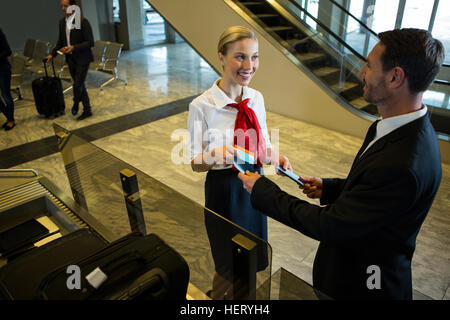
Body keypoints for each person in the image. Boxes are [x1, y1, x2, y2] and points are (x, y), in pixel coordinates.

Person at [238, 28, 444, 300]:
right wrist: (330, 188)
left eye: (369, 66)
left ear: (395, 77)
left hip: (365, 285)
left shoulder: (404, 163)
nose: (361, 73)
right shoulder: (398, 127)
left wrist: (263, 189)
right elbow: (375, 192)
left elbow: (330, 225)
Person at [187, 26, 291, 299]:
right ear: (221, 57)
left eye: (254, 57)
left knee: (248, 260)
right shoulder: (202, 105)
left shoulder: (256, 99)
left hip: (254, 187)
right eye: (240, 57)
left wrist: (275, 157)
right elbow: (194, 162)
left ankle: (224, 299)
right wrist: (215, 155)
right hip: (224, 192)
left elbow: (262, 145)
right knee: (227, 262)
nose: (249, 65)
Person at [46, 0, 94, 120]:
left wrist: (74, 47)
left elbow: (90, 42)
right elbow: (60, 42)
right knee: (80, 84)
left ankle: (75, 103)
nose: (63, 8)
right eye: (62, 6)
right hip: (71, 59)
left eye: (65, 6)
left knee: (77, 84)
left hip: (83, 58)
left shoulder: (82, 22)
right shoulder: (62, 22)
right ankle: (87, 109)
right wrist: (52, 54)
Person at [0, 28, 15, 131]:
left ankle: (11, 120)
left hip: (2, 69)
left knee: (6, 95)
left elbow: (8, 51)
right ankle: (9, 117)